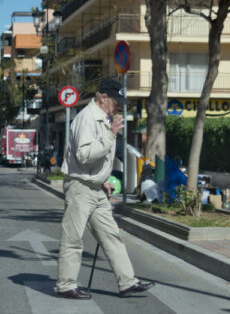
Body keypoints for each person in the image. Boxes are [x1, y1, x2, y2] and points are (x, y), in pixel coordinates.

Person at [56, 77, 154, 300]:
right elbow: (84, 155)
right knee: (73, 238)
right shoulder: (87, 118)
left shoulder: (103, 118)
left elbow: (100, 160)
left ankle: (127, 282)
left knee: (111, 236)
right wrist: (110, 134)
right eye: (115, 101)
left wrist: (105, 179)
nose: (118, 106)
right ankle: (65, 285)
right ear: (103, 98)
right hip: (80, 186)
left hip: (96, 188)